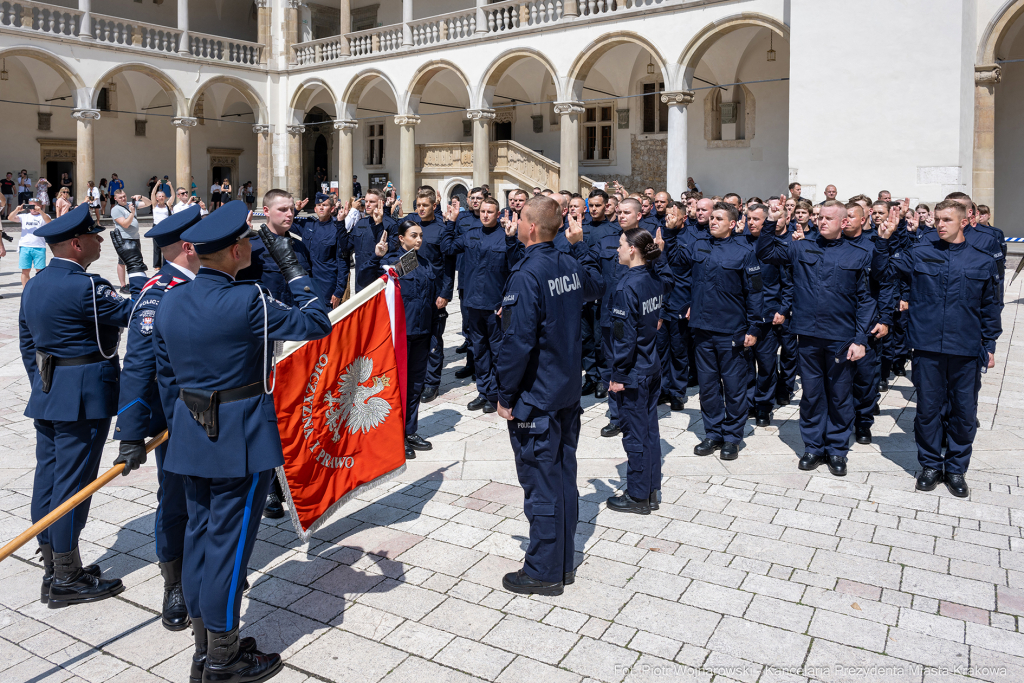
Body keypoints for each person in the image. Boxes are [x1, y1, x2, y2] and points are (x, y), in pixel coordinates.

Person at [154, 200, 330, 682]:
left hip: (191, 434)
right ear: (234, 251)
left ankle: (203, 647)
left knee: (199, 538)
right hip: (241, 436)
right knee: (229, 550)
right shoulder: (249, 299)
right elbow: (317, 322)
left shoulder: (170, 299)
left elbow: (166, 375)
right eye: (248, 242)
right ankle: (224, 657)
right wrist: (294, 270)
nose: (253, 246)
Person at [20, 203, 149, 608]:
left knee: (49, 478)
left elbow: (27, 344)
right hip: (84, 397)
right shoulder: (87, 287)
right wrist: (138, 270)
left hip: (50, 393)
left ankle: (53, 564)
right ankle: (66, 576)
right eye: (94, 236)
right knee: (73, 485)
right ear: (76, 244)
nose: (99, 241)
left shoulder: (35, 284)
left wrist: (44, 383)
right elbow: (138, 313)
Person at [494, 195, 603, 595]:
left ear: (531, 227)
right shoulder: (569, 263)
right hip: (566, 391)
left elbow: (518, 343)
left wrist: (505, 396)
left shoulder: (527, 273)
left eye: (520, 217)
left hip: (537, 396)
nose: (517, 222)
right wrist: (580, 245)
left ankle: (543, 570)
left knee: (542, 482)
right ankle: (563, 562)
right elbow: (594, 287)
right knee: (562, 477)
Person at [113, 205, 203, 632]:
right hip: (177, 421)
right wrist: (131, 434)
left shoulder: (210, 282)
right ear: (190, 246)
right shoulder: (158, 294)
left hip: (219, 416)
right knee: (175, 501)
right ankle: (175, 584)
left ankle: (211, 574)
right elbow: (138, 367)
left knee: (212, 500)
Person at [876, 201, 1000, 497]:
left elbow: (990, 306)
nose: (940, 225)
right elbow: (882, 273)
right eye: (937, 219)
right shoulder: (920, 253)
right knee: (928, 410)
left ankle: (956, 469)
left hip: (965, 348)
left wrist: (990, 344)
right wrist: (884, 240)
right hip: (927, 346)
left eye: (947, 220)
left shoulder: (981, 260)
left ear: (964, 222)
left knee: (964, 412)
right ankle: (930, 465)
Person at [757, 199, 877, 476]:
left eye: (828, 218)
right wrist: (771, 221)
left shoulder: (858, 254)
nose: (822, 221)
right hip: (808, 335)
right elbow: (765, 252)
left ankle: (836, 450)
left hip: (841, 338)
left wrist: (861, 339)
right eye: (819, 217)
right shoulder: (801, 247)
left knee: (839, 396)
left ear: (843, 222)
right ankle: (813, 447)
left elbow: (866, 300)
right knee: (811, 395)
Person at [670, 202, 761, 460]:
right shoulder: (698, 245)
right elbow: (675, 260)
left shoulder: (744, 252)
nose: (712, 221)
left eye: (719, 218)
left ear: (732, 223)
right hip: (702, 329)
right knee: (708, 386)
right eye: (711, 218)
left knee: (733, 387)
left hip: (731, 331)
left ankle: (732, 437)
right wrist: (671, 232)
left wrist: (754, 327)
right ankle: (713, 433)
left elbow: (755, 292)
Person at [362, 220, 437, 458]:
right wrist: (376, 257)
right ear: (401, 238)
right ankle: (395, 434)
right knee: (398, 385)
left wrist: (434, 334)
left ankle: (409, 430)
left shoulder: (425, 263)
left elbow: (431, 300)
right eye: (414, 235)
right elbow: (367, 283)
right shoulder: (390, 264)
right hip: (399, 336)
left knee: (415, 385)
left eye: (421, 235)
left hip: (422, 333)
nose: (419, 239)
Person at [442, 197, 523, 413]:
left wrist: (507, 301)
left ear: (498, 214)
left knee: (497, 351)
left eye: (490, 212)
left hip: (495, 305)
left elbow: (516, 269)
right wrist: (451, 222)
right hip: (473, 303)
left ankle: (495, 395)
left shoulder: (506, 236)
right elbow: (447, 247)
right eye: (483, 211)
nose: (485, 215)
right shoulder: (471, 234)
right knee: (478, 350)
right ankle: (483, 391)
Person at [606, 227, 663, 513]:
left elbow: (624, 338)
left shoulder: (626, 286)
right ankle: (651, 489)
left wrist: (618, 376)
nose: (617, 250)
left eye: (620, 245)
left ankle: (638, 496)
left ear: (631, 249)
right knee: (649, 430)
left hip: (634, 372)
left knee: (635, 434)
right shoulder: (653, 277)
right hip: (651, 365)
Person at [842, 202, 895, 445]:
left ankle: (863, 421)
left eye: (851, 216)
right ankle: (843, 420)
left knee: (865, 378)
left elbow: (885, 285)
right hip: (840, 321)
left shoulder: (874, 246)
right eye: (843, 217)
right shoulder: (832, 243)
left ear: (863, 219)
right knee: (840, 379)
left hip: (868, 320)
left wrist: (885, 319)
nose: (846, 221)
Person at [405, 188, 455, 404]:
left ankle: (432, 383)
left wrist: (445, 293)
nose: (421, 209)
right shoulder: (411, 226)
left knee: (434, 338)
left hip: (435, 293)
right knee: (415, 336)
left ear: (434, 206)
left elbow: (448, 266)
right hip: (414, 293)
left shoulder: (441, 230)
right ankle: (415, 378)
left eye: (425, 205)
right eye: (418, 205)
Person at [741, 203, 788, 426]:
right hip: (744, 316)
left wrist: (783, 309)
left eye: (756, 219)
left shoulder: (776, 248)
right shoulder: (739, 244)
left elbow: (788, 283)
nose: (751, 223)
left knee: (767, 364)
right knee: (746, 364)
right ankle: (749, 402)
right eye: (749, 218)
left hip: (768, 315)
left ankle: (763, 406)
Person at [291, 192, 351, 309]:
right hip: (307, 281)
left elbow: (343, 262)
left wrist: (339, 291)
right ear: (315, 209)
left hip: (327, 284)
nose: (321, 208)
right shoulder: (308, 225)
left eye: (325, 205)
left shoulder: (336, 229)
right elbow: (286, 223)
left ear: (332, 209)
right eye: (319, 205)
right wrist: (296, 210)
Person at [451, 187, 486, 382]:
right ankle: (471, 364)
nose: (475, 201)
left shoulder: (489, 219)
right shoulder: (462, 219)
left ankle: (483, 367)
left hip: (485, 280)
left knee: (483, 328)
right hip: (466, 278)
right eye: (472, 198)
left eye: (479, 198)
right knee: (469, 324)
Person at [351, 190, 397, 295]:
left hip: (380, 283)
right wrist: (341, 223)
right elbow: (346, 247)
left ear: (382, 203)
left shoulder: (391, 224)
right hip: (361, 281)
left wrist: (378, 224)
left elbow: (390, 252)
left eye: (371, 202)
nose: (367, 204)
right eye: (366, 201)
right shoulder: (361, 223)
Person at [111, 189, 153, 293]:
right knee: (122, 262)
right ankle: (123, 285)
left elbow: (149, 203)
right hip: (124, 239)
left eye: (124, 196)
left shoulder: (131, 204)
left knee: (136, 261)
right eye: (120, 197)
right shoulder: (115, 209)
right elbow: (125, 224)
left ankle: (133, 282)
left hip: (135, 237)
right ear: (115, 198)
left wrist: (141, 196)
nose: (123, 199)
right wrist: (132, 212)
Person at [9, 199, 52, 286]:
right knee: (25, 271)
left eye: (34, 206)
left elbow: (49, 222)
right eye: (30, 206)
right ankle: (26, 291)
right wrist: (17, 210)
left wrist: (40, 211)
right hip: (25, 246)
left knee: (40, 271)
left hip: (39, 247)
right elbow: (10, 218)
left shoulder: (44, 216)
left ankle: (39, 290)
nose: (33, 208)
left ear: (40, 206)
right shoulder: (24, 216)